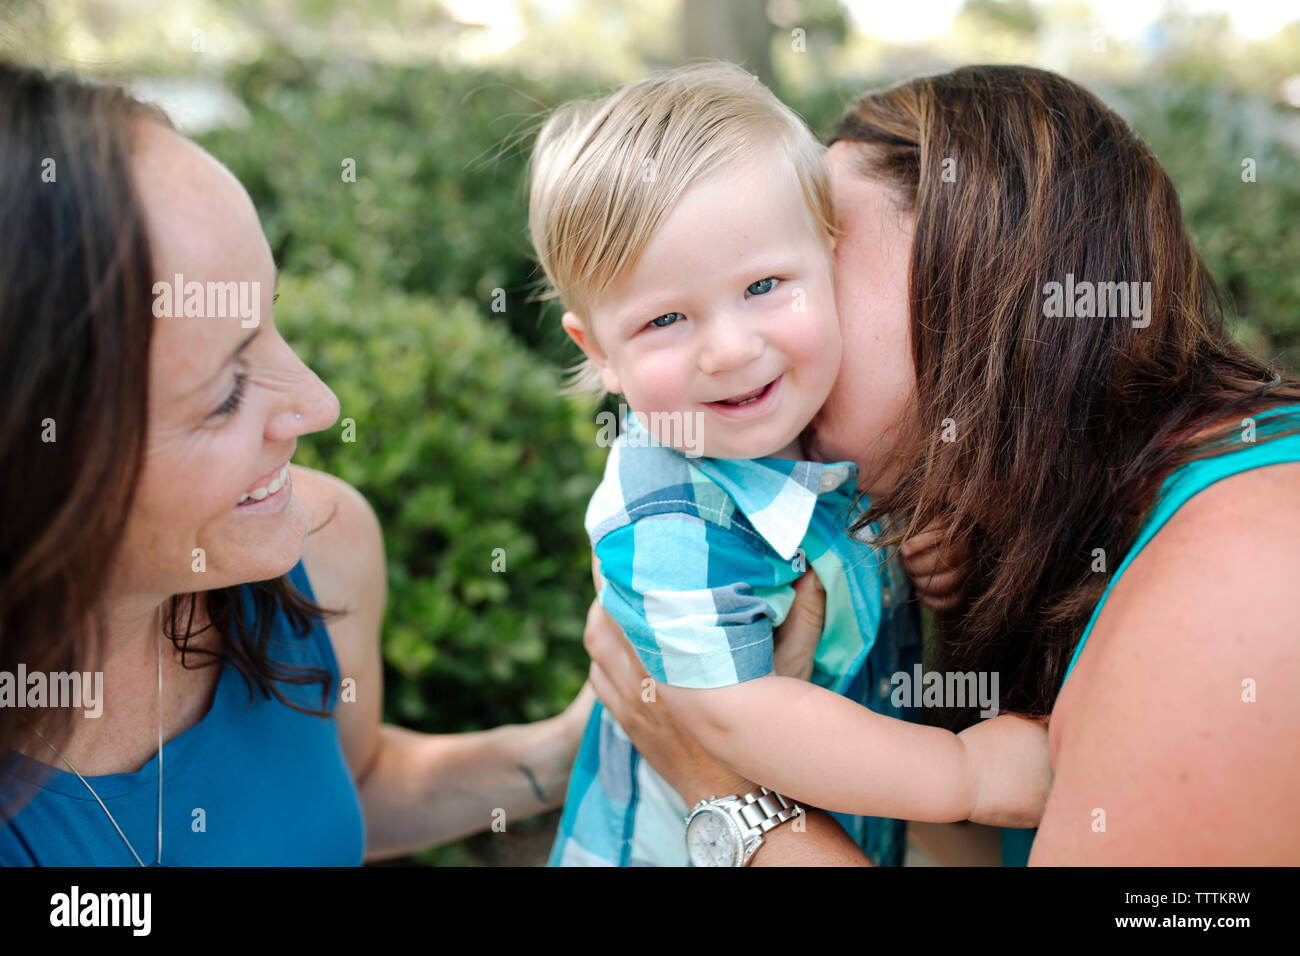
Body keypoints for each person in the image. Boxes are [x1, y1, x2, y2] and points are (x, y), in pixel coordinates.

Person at [583, 64, 1300, 866]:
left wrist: (720, 786)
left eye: (780, 275)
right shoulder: (1037, 514)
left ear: (978, 286)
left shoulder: (1246, 578)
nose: (749, 348)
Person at [0, 62, 594, 865]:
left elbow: (350, 791)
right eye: (227, 390)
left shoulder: (321, 543)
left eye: (270, 317)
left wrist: (582, 740)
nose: (320, 405)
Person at [530, 61, 1051, 869]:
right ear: (596, 350)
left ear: (831, 262)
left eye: (765, 284)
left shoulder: (812, 441)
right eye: (666, 318)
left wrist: (911, 551)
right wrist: (966, 773)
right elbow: (739, 717)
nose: (732, 348)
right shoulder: (668, 514)